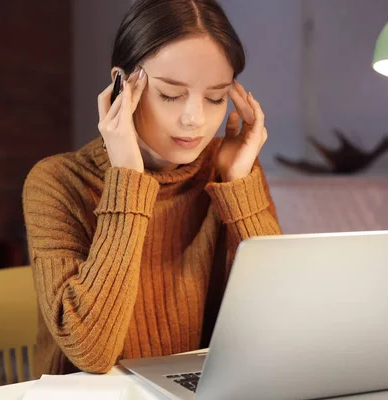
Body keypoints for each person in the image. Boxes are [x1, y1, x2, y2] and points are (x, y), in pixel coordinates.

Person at [22, 0, 282, 377]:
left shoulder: (228, 171)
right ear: (120, 85)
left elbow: (286, 324)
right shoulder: (56, 182)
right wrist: (127, 178)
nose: (195, 118)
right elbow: (92, 352)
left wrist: (240, 184)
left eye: (215, 98)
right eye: (170, 94)